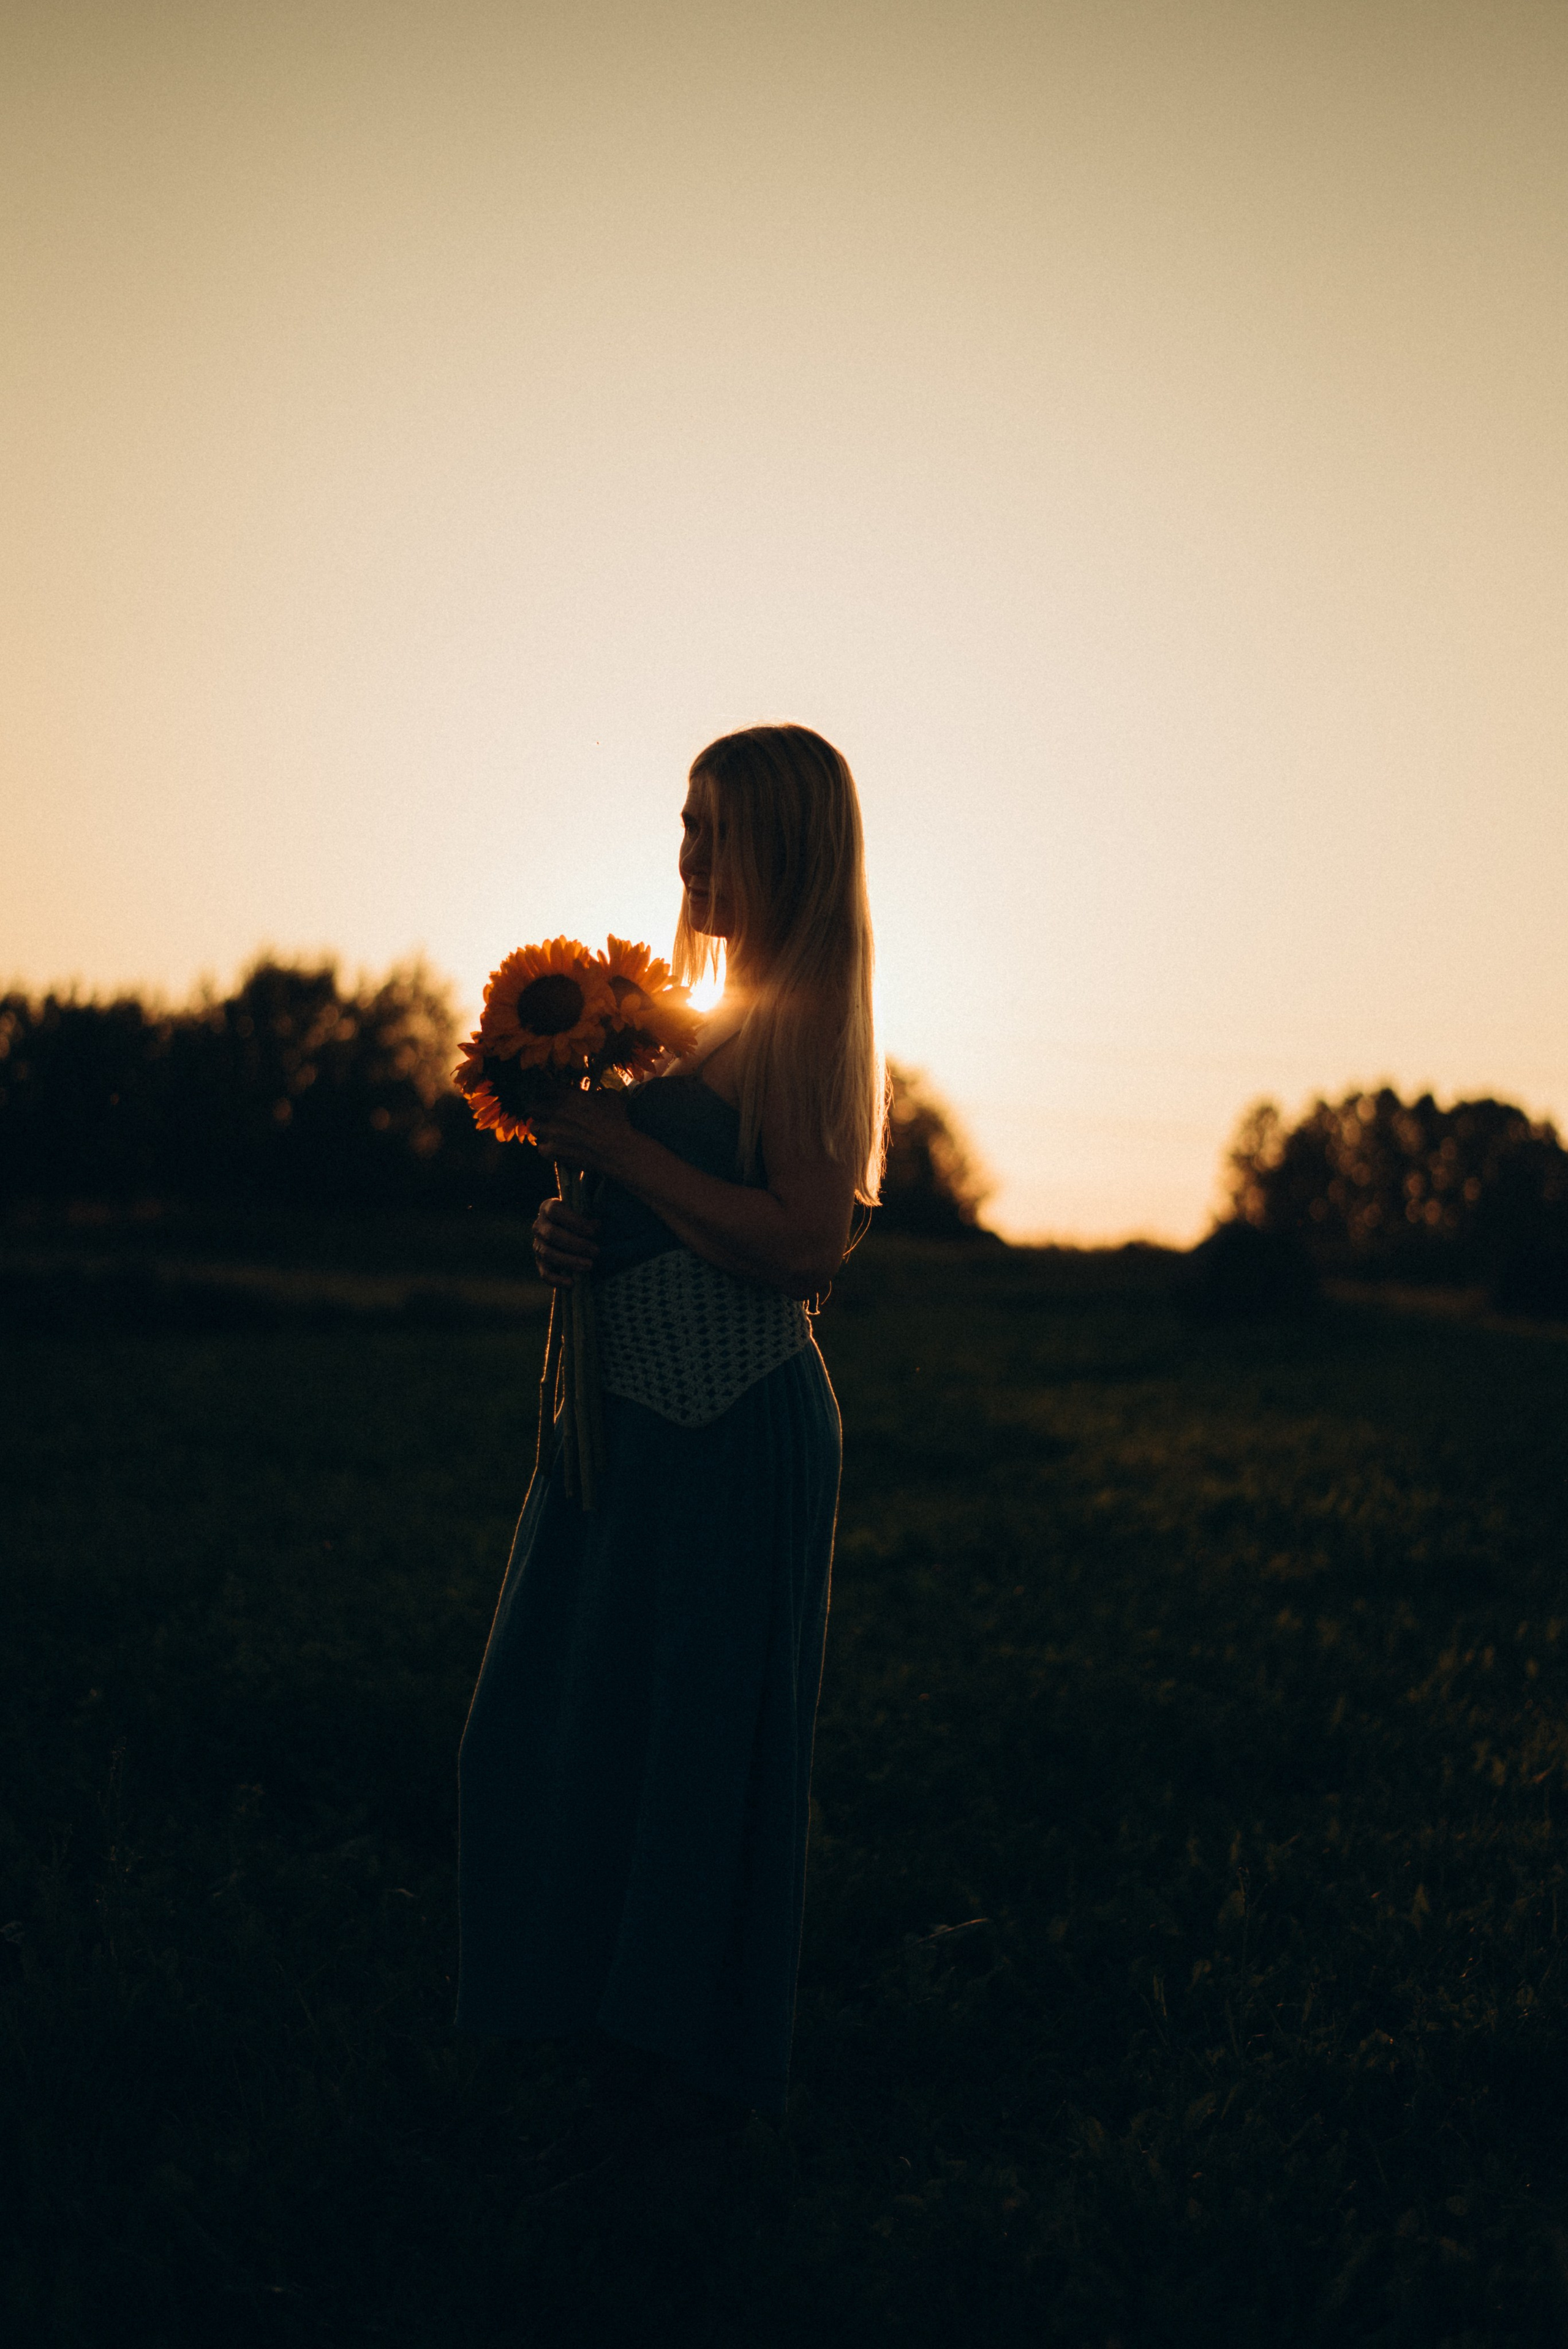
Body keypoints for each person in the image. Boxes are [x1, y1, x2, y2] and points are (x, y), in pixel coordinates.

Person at [455, 723, 884, 2165]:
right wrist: (570, 1227)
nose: (687, 855)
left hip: (734, 1427)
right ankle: (573, 2014)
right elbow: (663, 1206)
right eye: (682, 824)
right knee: (544, 1717)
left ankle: (665, 2074)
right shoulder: (669, 1013)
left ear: (783, 843)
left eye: (713, 829)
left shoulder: (807, 1016)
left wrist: (620, 1150)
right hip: (616, 1431)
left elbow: (805, 1239)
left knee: (700, 1755)